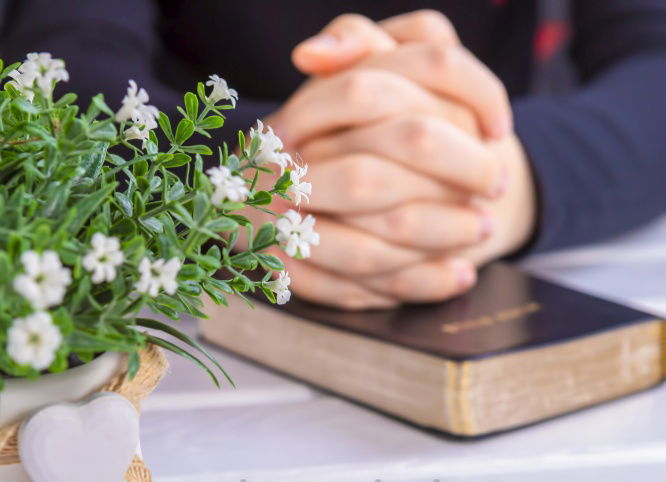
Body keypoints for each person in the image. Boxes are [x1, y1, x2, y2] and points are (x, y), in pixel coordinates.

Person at [3, 1, 666, 309]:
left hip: (468, 221)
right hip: (199, 294)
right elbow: (58, 69)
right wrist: (235, 177)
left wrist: (504, 177)